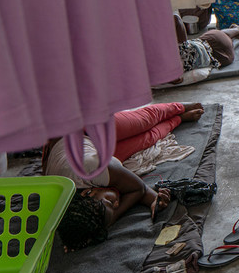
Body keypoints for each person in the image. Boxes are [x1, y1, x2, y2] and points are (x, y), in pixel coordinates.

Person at [43, 102, 204, 250]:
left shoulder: (93, 168)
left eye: (111, 201)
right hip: (85, 147)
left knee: (144, 121)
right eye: (116, 206)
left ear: (88, 192)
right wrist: (155, 201)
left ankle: (178, 108)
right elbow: (139, 192)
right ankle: (177, 120)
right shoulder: (75, 207)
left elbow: (138, 189)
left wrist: (113, 217)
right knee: (148, 139)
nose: (118, 202)